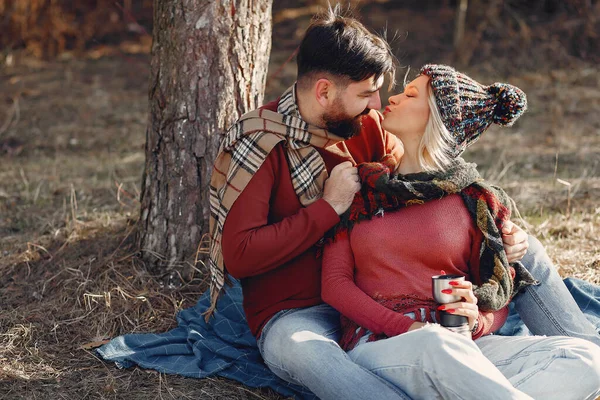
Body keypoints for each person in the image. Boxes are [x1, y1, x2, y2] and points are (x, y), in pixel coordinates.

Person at [208, 7, 600, 400]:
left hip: (403, 305)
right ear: (324, 91)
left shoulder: (366, 127)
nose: (377, 104)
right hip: (301, 310)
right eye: (365, 94)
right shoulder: (260, 143)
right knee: (308, 353)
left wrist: (499, 237)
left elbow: (419, 180)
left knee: (526, 255)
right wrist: (328, 208)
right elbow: (240, 256)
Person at [321, 64, 600, 399]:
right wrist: (408, 327)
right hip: (382, 345)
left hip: (463, 348)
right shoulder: (362, 189)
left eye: (411, 95)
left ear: (437, 119)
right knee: (433, 343)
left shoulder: (477, 202)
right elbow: (334, 286)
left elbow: (498, 293)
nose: (393, 98)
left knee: (586, 357)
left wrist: (477, 322)